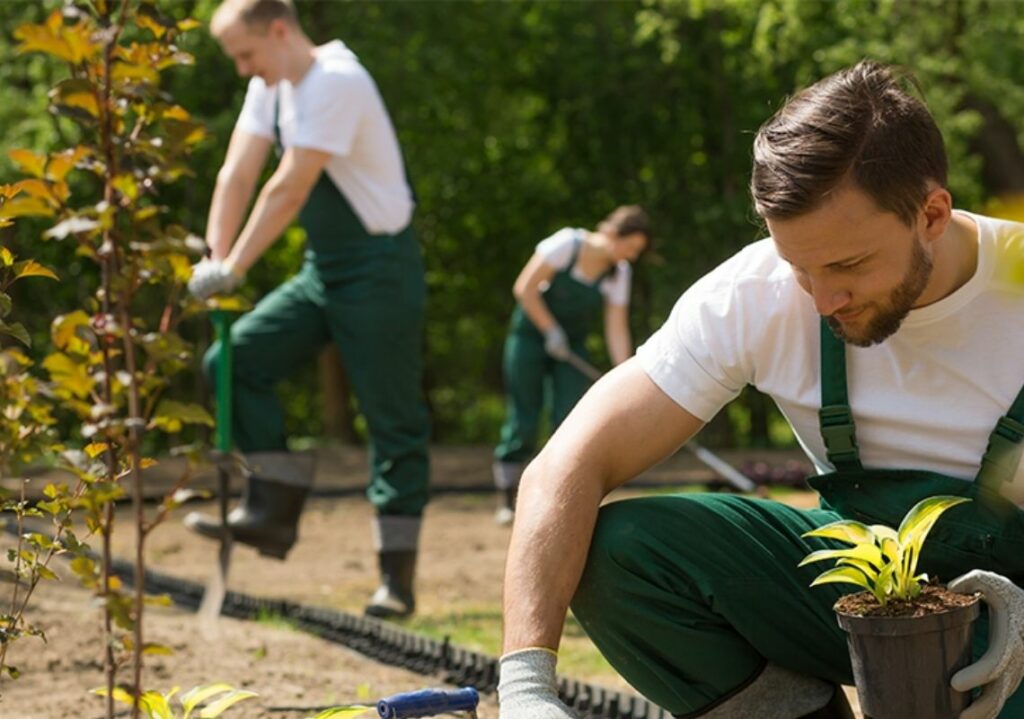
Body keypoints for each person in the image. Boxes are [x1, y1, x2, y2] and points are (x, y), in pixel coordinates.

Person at [497, 61, 1024, 719]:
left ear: (933, 213)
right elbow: (565, 465)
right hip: (862, 606)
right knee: (623, 555)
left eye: (848, 265)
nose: (822, 297)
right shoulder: (754, 296)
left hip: (1013, 641)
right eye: (799, 266)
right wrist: (526, 690)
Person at [182, 0, 430, 619]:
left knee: (392, 421)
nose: (243, 70)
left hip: (379, 272)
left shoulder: (337, 81)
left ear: (279, 30)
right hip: (325, 271)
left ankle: (394, 582)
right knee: (232, 362)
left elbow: (287, 187)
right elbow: (236, 175)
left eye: (246, 54)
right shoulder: (273, 86)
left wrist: (236, 268)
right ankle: (272, 513)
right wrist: (215, 257)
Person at [492, 207, 650, 525]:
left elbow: (616, 327)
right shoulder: (567, 245)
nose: (630, 257)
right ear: (613, 234)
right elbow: (525, 288)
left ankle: (552, 500)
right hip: (531, 338)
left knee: (567, 419)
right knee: (523, 419)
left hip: (571, 348)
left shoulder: (619, 272)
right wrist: (550, 330)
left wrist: (626, 373)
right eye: (630, 248)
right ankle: (508, 501)